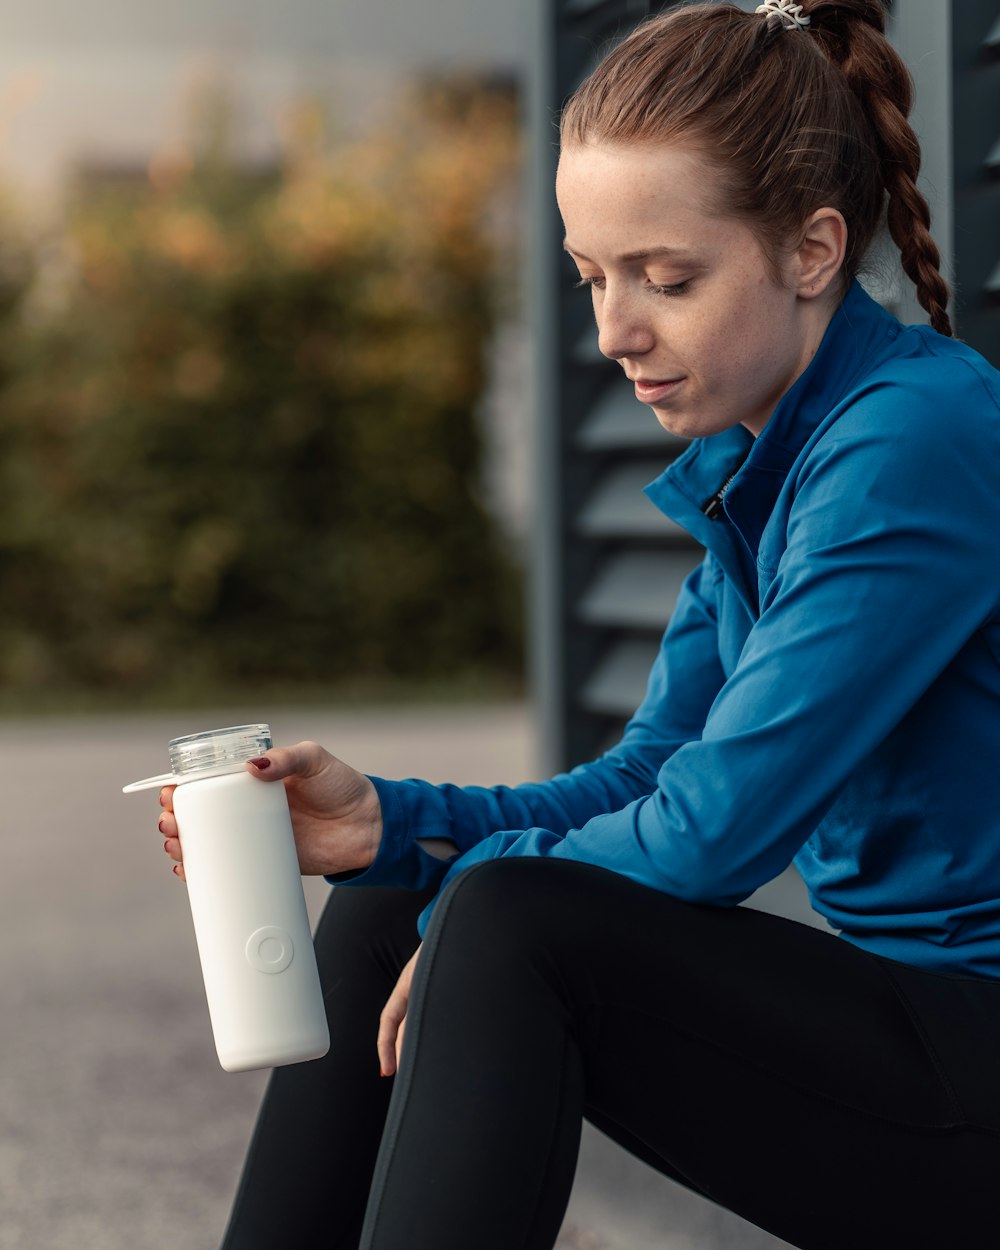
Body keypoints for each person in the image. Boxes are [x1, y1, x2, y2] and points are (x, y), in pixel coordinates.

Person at [158, 3, 1000, 1247]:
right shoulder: (768, 449)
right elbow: (648, 775)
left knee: (498, 921)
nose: (614, 332)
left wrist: (468, 901)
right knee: (399, 902)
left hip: (969, 1054)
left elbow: (708, 832)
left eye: (667, 278)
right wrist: (388, 824)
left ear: (814, 248)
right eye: (593, 277)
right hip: (909, 1031)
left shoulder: (910, 440)